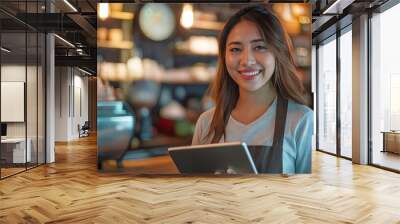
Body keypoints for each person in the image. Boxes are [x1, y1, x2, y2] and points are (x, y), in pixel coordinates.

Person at [191, 5, 313, 174]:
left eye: (260, 47)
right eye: (235, 49)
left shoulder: (302, 121)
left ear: (279, 53)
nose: (247, 60)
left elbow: (309, 197)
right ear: (224, 57)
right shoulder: (206, 123)